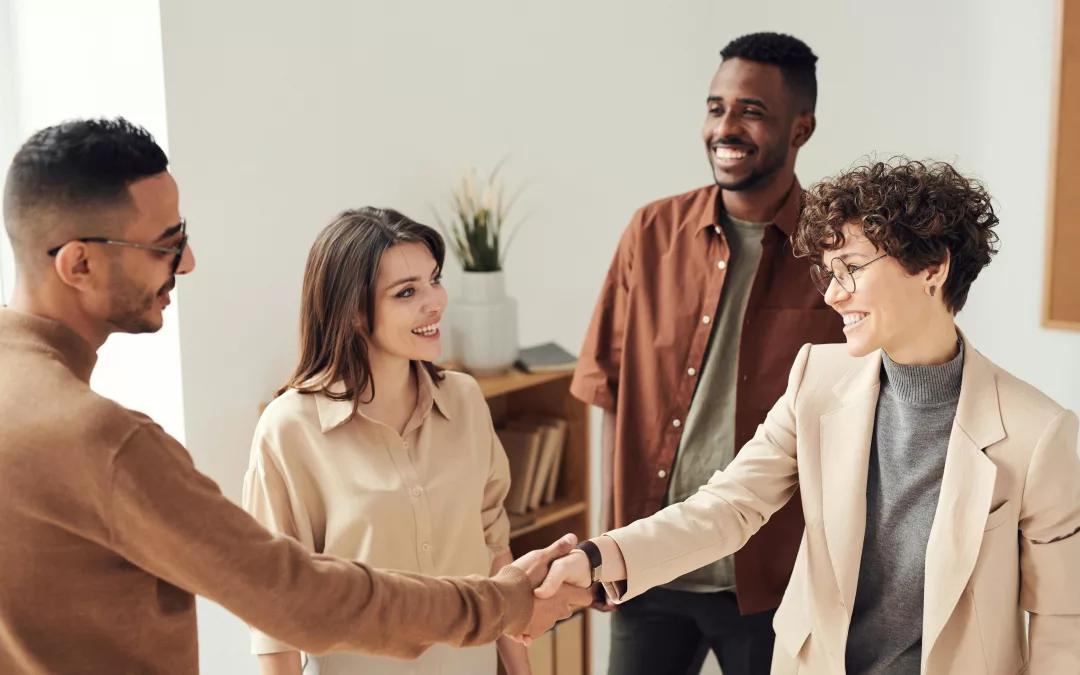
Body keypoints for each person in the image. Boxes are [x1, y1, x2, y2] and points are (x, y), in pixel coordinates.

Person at [0, 117, 591, 675]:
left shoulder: (461, 399)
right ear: (78, 263)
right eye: (166, 244)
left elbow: (488, 532)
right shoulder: (109, 442)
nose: (188, 264)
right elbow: (291, 598)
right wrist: (502, 605)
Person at [540, 158, 1080, 674]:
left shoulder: (1036, 432)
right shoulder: (815, 380)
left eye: (851, 268)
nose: (834, 296)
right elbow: (727, 506)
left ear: (932, 267)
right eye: (828, 273)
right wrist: (597, 557)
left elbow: (1063, 619)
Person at [570, 32, 843, 675]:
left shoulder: (833, 251)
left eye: (751, 110)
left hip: (768, 579)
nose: (726, 126)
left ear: (800, 129)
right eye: (716, 107)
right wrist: (608, 542)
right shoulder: (650, 232)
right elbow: (609, 393)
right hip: (645, 568)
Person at [243, 207, 531, 675]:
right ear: (354, 312)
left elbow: (496, 552)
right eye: (407, 292)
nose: (435, 302)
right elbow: (274, 609)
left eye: (434, 280)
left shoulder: (465, 400)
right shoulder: (290, 429)